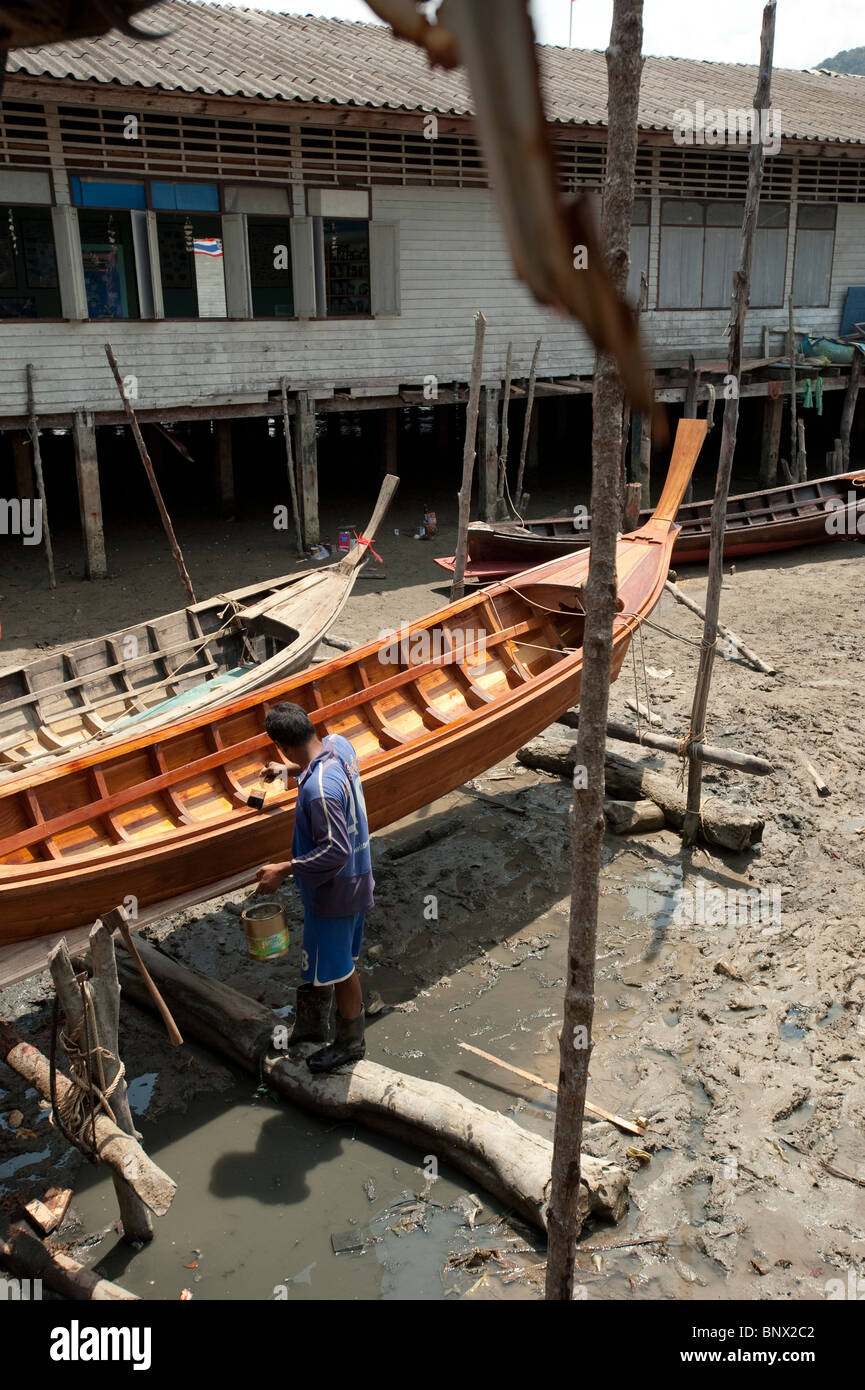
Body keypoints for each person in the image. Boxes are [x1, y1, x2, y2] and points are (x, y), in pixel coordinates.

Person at [255, 702, 374, 1072]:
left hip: (334, 893)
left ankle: (351, 1043)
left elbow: (334, 850)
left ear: (283, 744)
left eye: (282, 754)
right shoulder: (338, 744)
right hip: (357, 879)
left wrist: (284, 869)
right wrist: (287, 770)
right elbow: (314, 763)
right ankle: (309, 1029)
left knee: (340, 969)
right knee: (320, 961)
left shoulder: (318, 792)